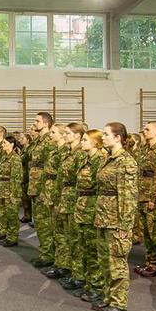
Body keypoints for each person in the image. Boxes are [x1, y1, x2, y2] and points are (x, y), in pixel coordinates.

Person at [91, 122, 138, 311]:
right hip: (103, 217)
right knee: (104, 261)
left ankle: (119, 303)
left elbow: (128, 196)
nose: (103, 137)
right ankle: (108, 297)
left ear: (118, 137)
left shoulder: (126, 162)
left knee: (117, 262)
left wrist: (125, 226)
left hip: (116, 220)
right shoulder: (108, 159)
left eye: (106, 134)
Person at [68, 129, 107, 300]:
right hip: (82, 208)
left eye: (85, 140)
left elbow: (99, 189)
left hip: (92, 210)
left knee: (93, 250)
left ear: (95, 143)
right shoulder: (85, 159)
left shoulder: (100, 161)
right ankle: (88, 283)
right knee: (83, 247)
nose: (81, 142)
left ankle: (97, 288)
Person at [53, 122, 87, 286]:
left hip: (74, 200)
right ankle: (67, 267)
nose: (64, 136)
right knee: (65, 237)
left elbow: (82, 181)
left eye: (67, 133)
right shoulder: (68, 152)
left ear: (77, 136)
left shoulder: (81, 154)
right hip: (65, 198)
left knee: (75, 240)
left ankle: (79, 276)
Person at [135, 121, 156, 278]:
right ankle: (150, 261)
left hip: (152, 197)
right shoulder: (144, 148)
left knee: (155, 232)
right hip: (142, 195)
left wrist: (154, 198)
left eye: (147, 129)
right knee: (146, 232)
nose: (144, 131)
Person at [38, 123, 68, 278]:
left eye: (54, 132)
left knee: (61, 232)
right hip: (50, 191)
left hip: (59, 194)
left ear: (63, 135)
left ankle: (62, 265)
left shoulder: (65, 152)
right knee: (54, 230)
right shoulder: (55, 150)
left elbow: (63, 177)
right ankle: (57, 261)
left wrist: (56, 196)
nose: (50, 135)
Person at [28, 113, 56, 268]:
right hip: (36, 186)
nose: (35, 123)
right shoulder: (38, 140)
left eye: (37, 121)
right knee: (39, 222)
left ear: (46, 123)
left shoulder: (49, 142)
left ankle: (48, 255)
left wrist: (46, 189)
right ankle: (45, 252)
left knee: (45, 222)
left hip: (43, 187)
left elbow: (50, 168)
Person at [0, 135, 24, 247]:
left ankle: (13, 238)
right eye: (2, 143)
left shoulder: (15, 159)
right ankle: (6, 234)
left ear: (12, 145)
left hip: (11, 191)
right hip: (3, 189)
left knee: (12, 215)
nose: (2, 145)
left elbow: (17, 178)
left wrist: (14, 194)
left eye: (5, 143)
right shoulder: (4, 157)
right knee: (3, 213)